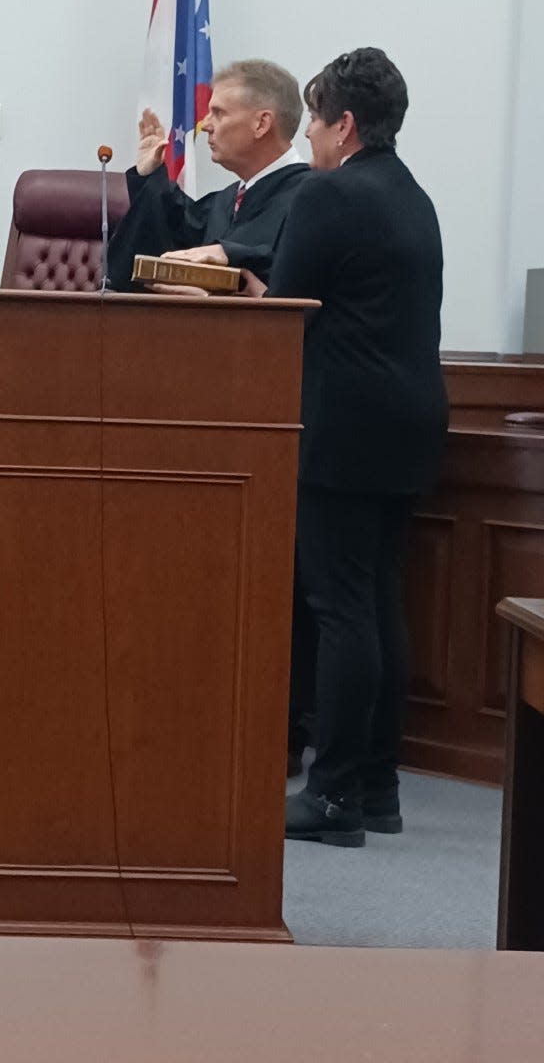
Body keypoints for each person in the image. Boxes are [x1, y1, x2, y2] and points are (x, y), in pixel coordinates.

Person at [251, 48, 447, 846]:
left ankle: (330, 796)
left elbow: (286, 309)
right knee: (375, 600)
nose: (310, 145)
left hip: (342, 421)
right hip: (410, 418)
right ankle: (375, 786)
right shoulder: (415, 196)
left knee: (339, 607)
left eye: (316, 124)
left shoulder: (331, 196)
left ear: (345, 124)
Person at [107, 60, 311, 290]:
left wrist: (230, 254)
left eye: (218, 113)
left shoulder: (313, 198)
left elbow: (295, 276)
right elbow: (174, 234)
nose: (205, 125)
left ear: (261, 124)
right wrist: (150, 176)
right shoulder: (227, 200)